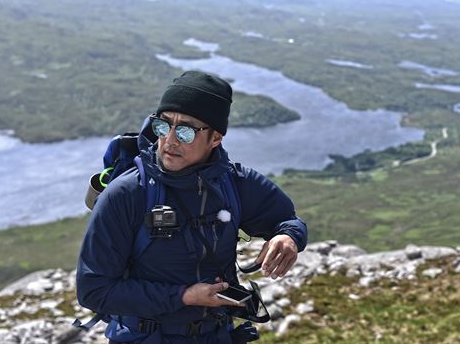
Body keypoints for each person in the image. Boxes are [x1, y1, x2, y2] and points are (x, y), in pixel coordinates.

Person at [76, 71, 308, 343]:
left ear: (216, 138)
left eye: (185, 130)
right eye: (163, 126)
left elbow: (288, 220)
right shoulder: (126, 194)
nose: (170, 140)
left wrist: (288, 237)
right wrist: (184, 297)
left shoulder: (235, 183)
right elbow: (93, 290)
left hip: (217, 335)